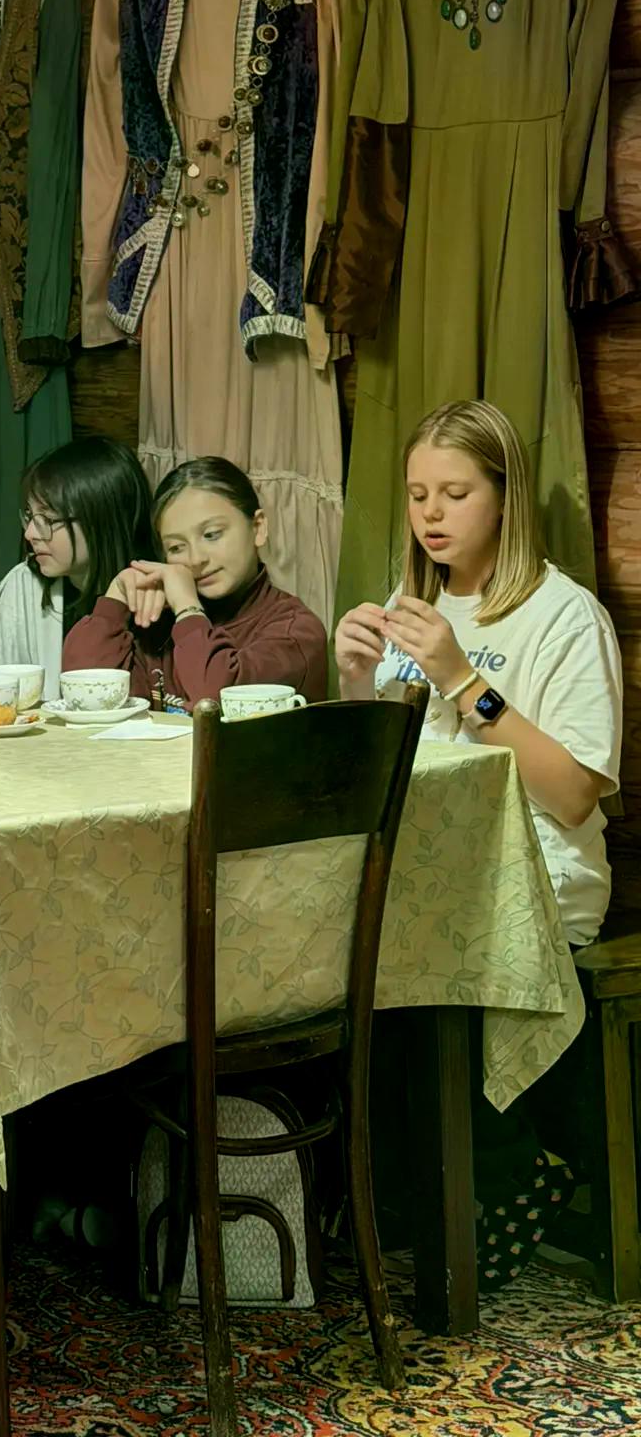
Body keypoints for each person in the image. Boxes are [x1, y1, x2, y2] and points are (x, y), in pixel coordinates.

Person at [334, 398, 623, 1283]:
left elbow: (573, 793)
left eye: (455, 494)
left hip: (534, 874)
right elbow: (377, 773)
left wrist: (463, 680)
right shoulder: (411, 606)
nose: (431, 514)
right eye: (418, 493)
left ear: (505, 496)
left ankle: (505, 1174)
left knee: (409, 953)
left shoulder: (563, 616)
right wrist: (355, 680)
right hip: (426, 869)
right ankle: (386, 1193)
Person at [65, 456, 328, 710]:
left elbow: (215, 700)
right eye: (176, 547)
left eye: (212, 535)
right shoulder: (156, 625)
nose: (196, 559)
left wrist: (188, 608)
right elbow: (84, 695)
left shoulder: (295, 631)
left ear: (258, 528)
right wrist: (115, 601)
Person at [0, 435, 155, 701]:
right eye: (29, 515)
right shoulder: (25, 582)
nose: (30, 533)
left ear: (103, 520)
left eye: (48, 519)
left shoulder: (154, 592)